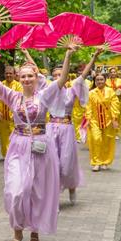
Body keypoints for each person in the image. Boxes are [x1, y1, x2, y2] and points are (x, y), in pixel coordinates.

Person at [0, 46, 75, 241]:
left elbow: (62, 79)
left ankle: (34, 232)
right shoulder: (12, 96)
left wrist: (68, 54)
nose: (27, 79)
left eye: (30, 75)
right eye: (23, 76)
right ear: (19, 78)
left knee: (36, 191)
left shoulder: (45, 95)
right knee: (15, 190)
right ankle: (17, 234)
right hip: (18, 147)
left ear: (36, 77)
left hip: (40, 147)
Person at [47, 49, 103, 204]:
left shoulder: (72, 90)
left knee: (66, 162)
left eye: (61, 74)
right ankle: (54, 196)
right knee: (52, 163)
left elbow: (83, 75)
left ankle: (72, 186)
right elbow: (35, 73)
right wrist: (26, 55)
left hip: (66, 129)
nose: (58, 77)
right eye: (56, 75)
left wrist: (94, 57)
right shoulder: (48, 91)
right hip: (51, 129)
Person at [86, 72, 120, 171]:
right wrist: (88, 119)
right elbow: (88, 107)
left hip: (108, 121)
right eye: (97, 80)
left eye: (101, 79)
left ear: (105, 81)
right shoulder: (91, 93)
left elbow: (115, 105)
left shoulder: (110, 92)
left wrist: (115, 119)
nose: (99, 81)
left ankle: (105, 161)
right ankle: (96, 162)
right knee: (96, 139)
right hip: (94, 121)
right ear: (95, 81)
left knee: (106, 141)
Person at [0, 66, 23, 158]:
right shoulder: (0, 85)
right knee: (4, 139)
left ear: (14, 74)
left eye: (10, 73)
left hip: (14, 118)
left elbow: (20, 100)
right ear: (4, 74)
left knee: (15, 138)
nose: (8, 75)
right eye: (7, 73)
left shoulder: (19, 85)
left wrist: (15, 113)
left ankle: (16, 155)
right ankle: (6, 157)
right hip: (2, 118)